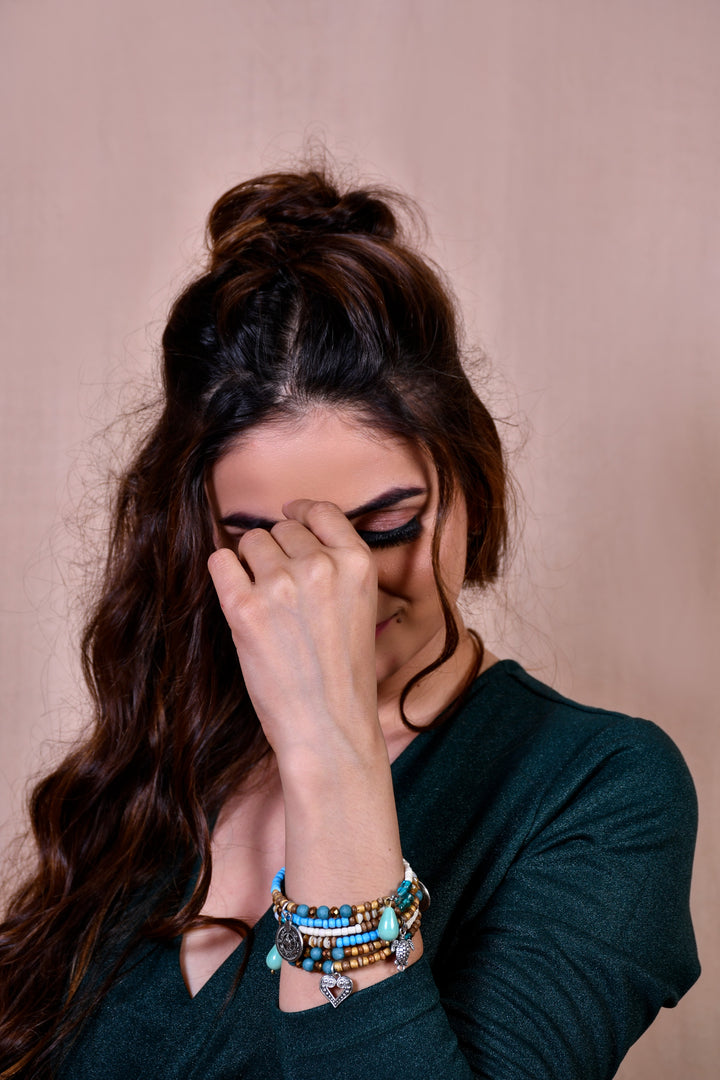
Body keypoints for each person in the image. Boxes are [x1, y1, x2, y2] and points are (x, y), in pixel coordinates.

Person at [0, 167, 699, 1080]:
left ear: (472, 496)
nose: (338, 586)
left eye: (385, 529)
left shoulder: (598, 788)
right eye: (270, 543)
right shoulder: (170, 751)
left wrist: (330, 759)